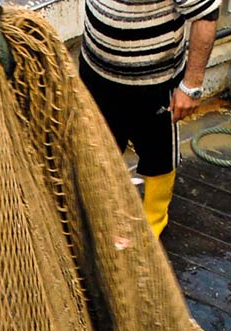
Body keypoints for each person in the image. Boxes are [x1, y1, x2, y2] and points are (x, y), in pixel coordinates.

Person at [79, 0, 220, 237]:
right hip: (95, 73)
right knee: (97, 149)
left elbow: (206, 16)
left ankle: (152, 225)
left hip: (154, 83)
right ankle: (100, 216)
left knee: (158, 155)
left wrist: (191, 85)